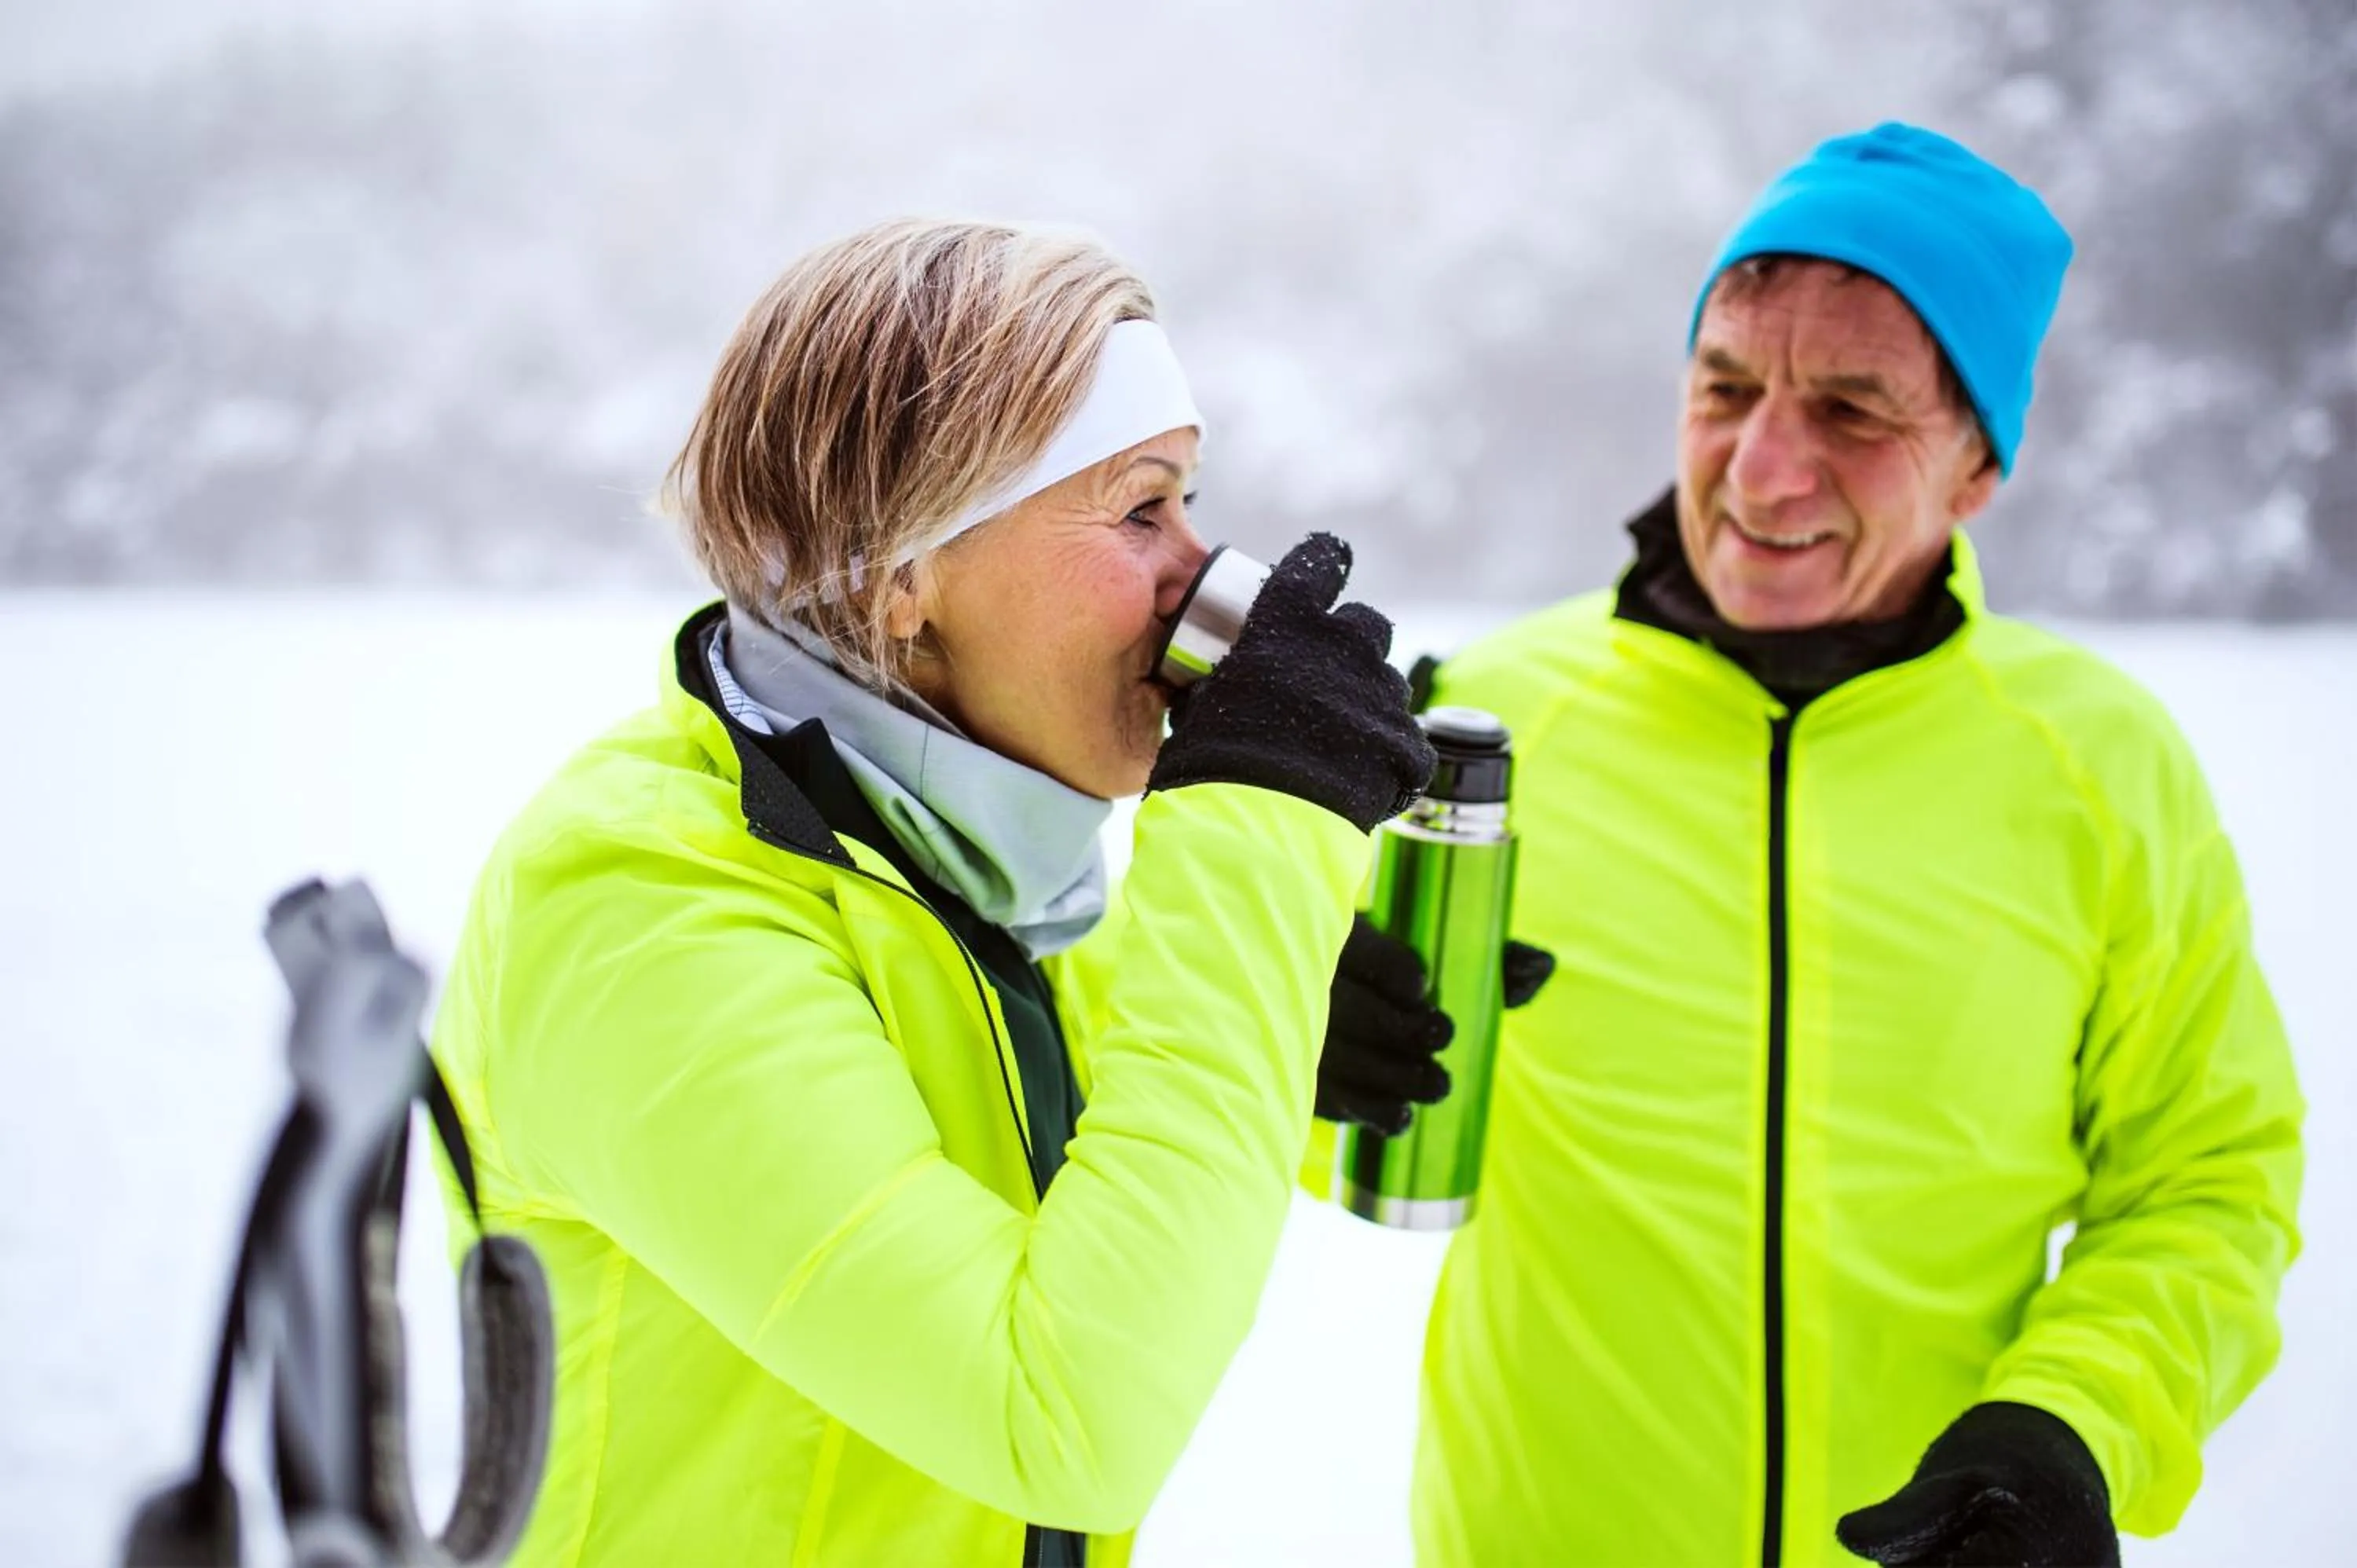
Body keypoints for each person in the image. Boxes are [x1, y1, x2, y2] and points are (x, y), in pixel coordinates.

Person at [1315, 123, 2304, 1566]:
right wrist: (1297, 1029)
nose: (1763, 471)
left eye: (1852, 411)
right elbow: (1245, 1097)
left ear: (1978, 464)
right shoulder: (1480, 720)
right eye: (1727, 389)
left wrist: (2077, 1426)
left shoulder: (2098, 768)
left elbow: (2207, 1181)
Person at [428, 218, 1434, 1566]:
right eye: (1141, 508)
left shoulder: (961, 857)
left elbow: (1018, 1129)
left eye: (1191, 501)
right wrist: (1252, 844)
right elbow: (1064, 1421)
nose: (1202, 573)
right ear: (901, 569)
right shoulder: (637, 907)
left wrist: (1279, 1014)